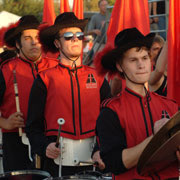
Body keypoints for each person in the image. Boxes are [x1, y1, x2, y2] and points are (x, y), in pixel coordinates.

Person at [25, 12, 111, 177]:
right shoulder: (44, 79)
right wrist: (44, 147)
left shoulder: (99, 77)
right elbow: (32, 127)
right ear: (57, 43)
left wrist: (101, 148)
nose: (75, 39)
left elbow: (110, 122)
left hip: (95, 160)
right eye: (68, 36)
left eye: (79, 35)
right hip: (56, 162)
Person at [94, 27, 179, 179]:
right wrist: (156, 139)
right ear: (120, 66)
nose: (141, 65)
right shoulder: (110, 111)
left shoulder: (171, 106)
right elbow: (115, 164)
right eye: (133, 60)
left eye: (145, 58)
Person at [0, 15, 58, 172]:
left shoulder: (57, 67)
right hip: (16, 142)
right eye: (27, 38)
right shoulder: (5, 70)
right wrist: (5, 122)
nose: (34, 42)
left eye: (37, 37)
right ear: (18, 44)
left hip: (51, 142)